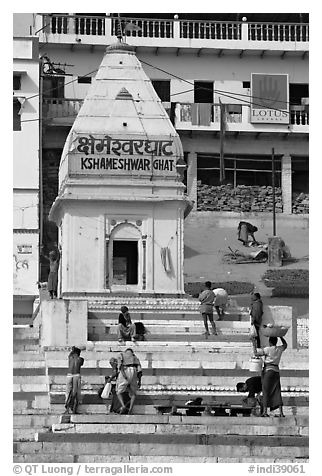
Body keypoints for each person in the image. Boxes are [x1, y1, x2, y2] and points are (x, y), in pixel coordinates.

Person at [256, 336, 287, 418]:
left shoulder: (267, 349)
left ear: (269, 342)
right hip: (276, 371)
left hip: (268, 371)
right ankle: (281, 412)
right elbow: (285, 345)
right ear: (276, 341)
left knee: (266, 391)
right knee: (277, 391)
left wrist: (254, 343)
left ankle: (265, 412)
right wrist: (281, 337)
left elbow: (257, 353)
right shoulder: (279, 349)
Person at [116, 348, 142, 414]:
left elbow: (120, 366)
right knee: (133, 394)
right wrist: (139, 381)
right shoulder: (135, 357)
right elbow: (140, 371)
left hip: (125, 370)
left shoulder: (121, 355)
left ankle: (123, 406)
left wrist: (124, 375)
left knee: (118, 391)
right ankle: (130, 409)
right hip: (134, 371)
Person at [64, 346, 84, 414]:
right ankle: (73, 409)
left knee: (68, 392)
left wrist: (73, 350)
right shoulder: (81, 359)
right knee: (75, 393)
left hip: (70, 375)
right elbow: (81, 364)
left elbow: (70, 354)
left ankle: (68, 407)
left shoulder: (70, 358)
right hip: (76, 375)